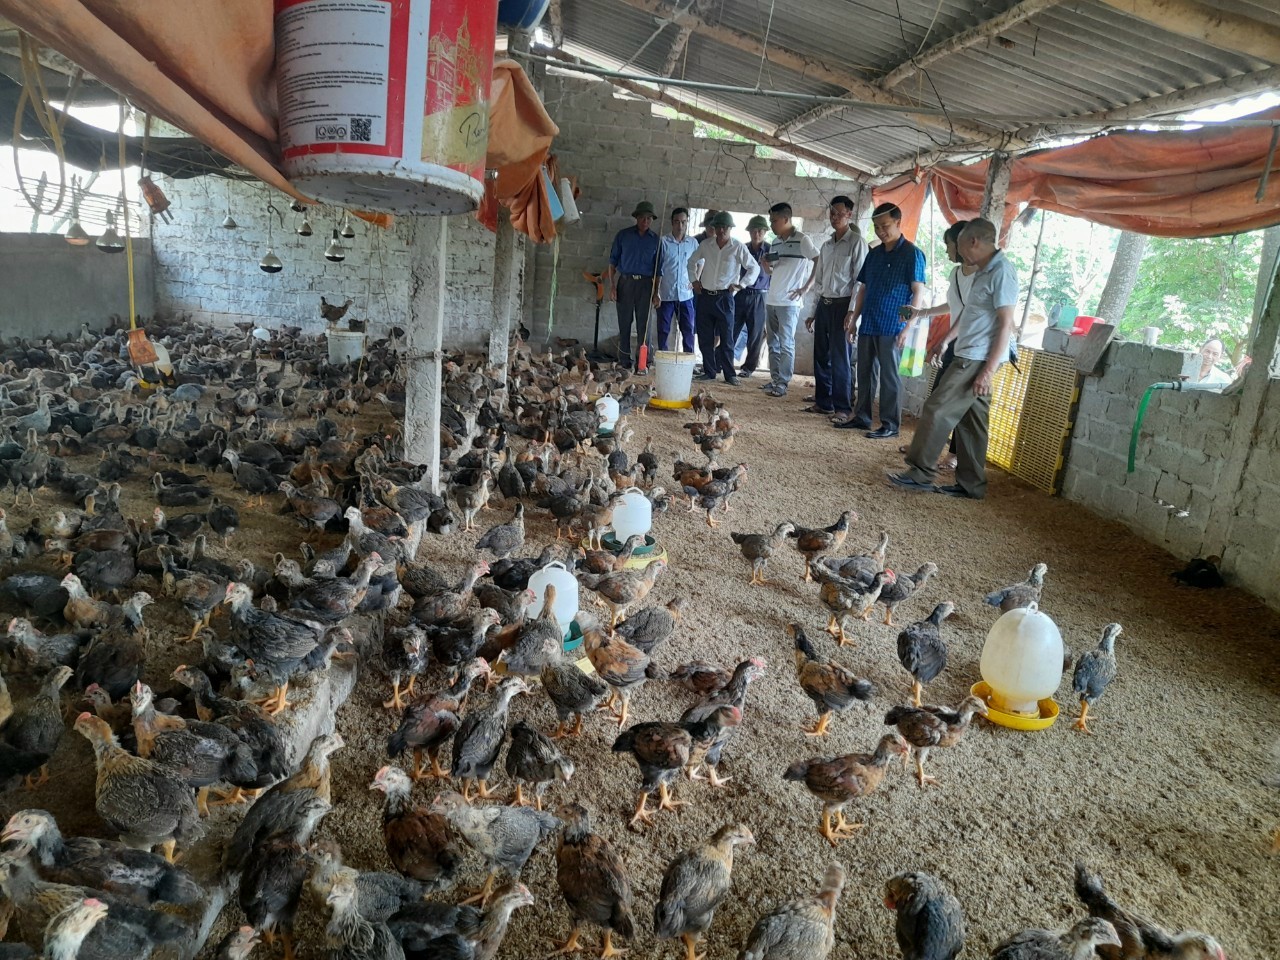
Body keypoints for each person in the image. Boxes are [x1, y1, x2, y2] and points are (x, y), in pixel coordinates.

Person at [890, 218, 1019, 500]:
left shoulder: (1002, 273)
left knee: (937, 409)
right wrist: (946, 340)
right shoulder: (983, 272)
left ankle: (920, 473)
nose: (958, 253)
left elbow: (1005, 326)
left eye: (959, 246)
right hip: (968, 352)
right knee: (972, 422)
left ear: (974, 241)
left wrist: (987, 371)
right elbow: (969, 313)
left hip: (976, 357)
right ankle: (971, 485)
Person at [840, 202, 927, 439]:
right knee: (865, 373)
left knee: (890, 377)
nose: (880, 231)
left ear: (898, 222)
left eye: (885, 226)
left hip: (894, 325)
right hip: (869, 322)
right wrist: (854, 319)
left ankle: (890, 424)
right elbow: (863, 288)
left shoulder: (912, 254)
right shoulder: (874, 254)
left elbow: (918, 292)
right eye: (877, 227)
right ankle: (862, 417)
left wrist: (908, 327)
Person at [899, 220, 972, 469]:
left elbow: (969, 313)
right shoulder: (957, 274)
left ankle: (953, 454)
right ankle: (924, 446)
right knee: (936, 396)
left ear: (961, 244)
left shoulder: (982, 275)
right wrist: (922, 313)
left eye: (948, 244)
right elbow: (953, 305)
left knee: (962, 404)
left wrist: (945, 339)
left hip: (972, 345)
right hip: (955, 342)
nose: (946, 250)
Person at [800, 196, 867, 420]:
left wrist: (852, 311)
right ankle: (823, 402)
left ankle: (843, 408)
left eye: (839, 213)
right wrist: (812, 312)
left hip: (843, 306)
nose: (834, 217)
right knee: (821, 356)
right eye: (831, 213)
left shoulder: (857, 242)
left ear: (849, 214)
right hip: (825, 305)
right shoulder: (826, 245)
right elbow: (819, 282)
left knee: (840, 358)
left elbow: (860, 281)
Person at [688, 211, 759, 385]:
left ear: (730, 228)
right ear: (714, 228)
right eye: (718, 227)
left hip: (725, 298)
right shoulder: (706, 245)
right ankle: (709, 371)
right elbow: (691, 262)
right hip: (705, 296)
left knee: (727, 337)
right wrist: (694, 280)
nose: (721, 230)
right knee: (705, 337)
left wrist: (741, 285)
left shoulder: (738, 247)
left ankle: (729, 374)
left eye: (725, 227)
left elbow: (754, 268)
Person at [760, 201, 819, 398]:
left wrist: (806, 288)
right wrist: (765, 266)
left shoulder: (802, 240)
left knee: (786, 343)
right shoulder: (775, 242)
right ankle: (775, 379)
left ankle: (783, 383)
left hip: (789, 302)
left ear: (786, 219)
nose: (771, 225)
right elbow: (773, 271)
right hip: (772, 298)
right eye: (771, 221)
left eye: (774, 221)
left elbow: (819, 260)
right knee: (773, 343)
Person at [607, 200, 660, 371]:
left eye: (649, 218)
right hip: (626, 283)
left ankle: (643, 363)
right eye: (642, 217)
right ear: (636, 217)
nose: (645, 221)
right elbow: (612, 262)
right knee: (624, 322)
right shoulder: (623, 236)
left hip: (646, 285)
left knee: (644, 325)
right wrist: (612, 286)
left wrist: (656, 292)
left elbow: (658, 270)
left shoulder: (655, 240)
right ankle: (624, 361)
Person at [653, 207, 697, 352]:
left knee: (688, 329)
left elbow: (700, 262)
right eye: (677, 222)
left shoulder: (692, 243)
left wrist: (695, 279)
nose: (680, 226)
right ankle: (663, 358)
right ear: (672, 223)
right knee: (663, 330)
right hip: (666, 294)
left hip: (686, 295)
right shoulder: (663, 242)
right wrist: (656, 292)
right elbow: (658, 268)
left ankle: (688, 359)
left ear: (687, 223)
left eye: (683, 222)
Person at [733, 215, 771, 378]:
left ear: (765, 232)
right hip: (741, 292)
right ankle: (722, 361)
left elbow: (776, 272)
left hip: (760, 295)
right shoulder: (743, 248)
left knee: (755, 333)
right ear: (749, 232)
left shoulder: (770, 250)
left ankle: (748, 367)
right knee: (731, 328)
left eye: (760, 231)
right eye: (754, 231)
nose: (757, 234)